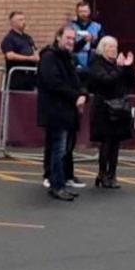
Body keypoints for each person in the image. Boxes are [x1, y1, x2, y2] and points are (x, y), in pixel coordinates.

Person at [34, 27, 85, 200]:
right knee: (58, 149)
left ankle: (61, 182)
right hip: (55, 111)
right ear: (58, 38)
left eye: (73, 38)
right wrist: (75, 96)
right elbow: (53, 83)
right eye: (68, 38)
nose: (71, 41)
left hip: (66, 111)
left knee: (63, 150)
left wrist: (82, 94)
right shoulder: (49, 57)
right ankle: (56, 185)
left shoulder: (68, 58)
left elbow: (76, 81)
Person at [82, 35, 135, 190]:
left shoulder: (117, 65)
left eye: (115, 47)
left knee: (116, 142)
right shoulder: (97, 63)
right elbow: (106, 81)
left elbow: (131, 83)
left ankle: (112, 174)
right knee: (106, 142)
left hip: (119, 107)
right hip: (104, 107)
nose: (114, 50)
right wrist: (120, 68)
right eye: (110, 47)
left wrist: (128, 67)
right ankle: (102, 174)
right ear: (103, 48)